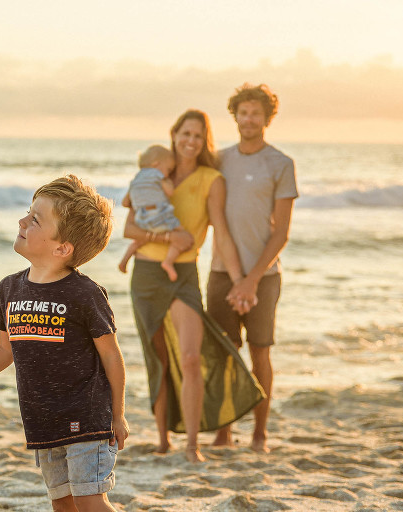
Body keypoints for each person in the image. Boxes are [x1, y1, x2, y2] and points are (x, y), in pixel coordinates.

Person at [0, 175, 130, 512]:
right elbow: (5, 349)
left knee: (89, 501)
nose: (22, 221)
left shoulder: (85, 293)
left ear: (62, 248)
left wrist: (118, 415)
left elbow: (112, 357)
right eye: (28, 213)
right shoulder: (9, 289)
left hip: (87, 418)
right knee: (63, 503)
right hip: (43, 420)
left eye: (35, 219)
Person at [124, 110, 265, 463]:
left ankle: (191, 445)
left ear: (205, 142)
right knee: (157, 358)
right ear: (174, 135)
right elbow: (128, 228)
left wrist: (239, 283)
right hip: (145, 275)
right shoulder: (152, 173)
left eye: (198, 136)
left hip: (183, 276)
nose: (191, 141)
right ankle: (162, 441)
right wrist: (168, 234)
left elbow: (222, 232)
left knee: (189, 357)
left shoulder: (210, 179)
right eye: (185, 133)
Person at [209, 83, 298, 454]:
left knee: (260, 353)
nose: (249, 119)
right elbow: (214, 219)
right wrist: (235, 280)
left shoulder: (280, 163)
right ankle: (224, 431)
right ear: (235, 116)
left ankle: (260, 432)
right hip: (219, 273)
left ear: (267, 118)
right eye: (243, 113)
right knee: (223, 353)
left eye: (255, 113)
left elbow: (281, 233)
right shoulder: (219, 160)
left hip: (265, 277)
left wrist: (250, 281)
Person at [118, 144, 190, 282]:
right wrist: (168, 182)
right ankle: (168, 262)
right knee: (183, 236)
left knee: (139, 241)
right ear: (157, 164)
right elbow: (170, 192)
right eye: (168, 169)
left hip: (141, 219)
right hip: (160, 215)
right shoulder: (157, 174)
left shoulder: (136, 179)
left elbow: (125, 203)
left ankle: (124, 261)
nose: (168, 173)